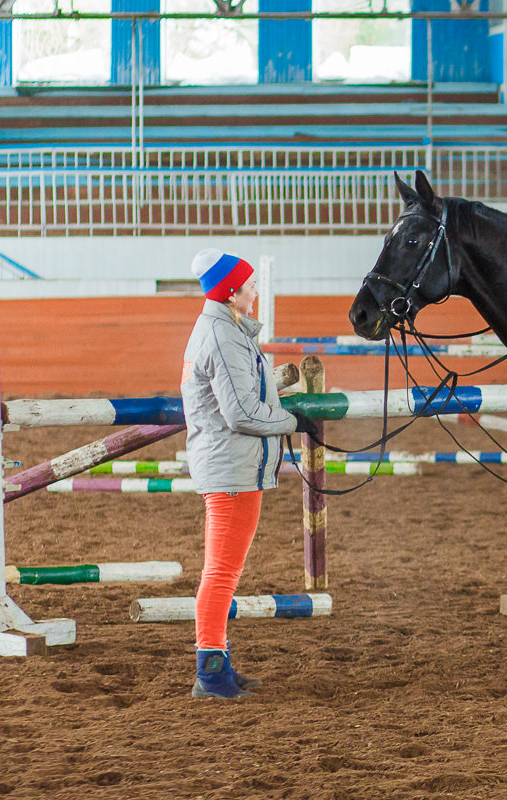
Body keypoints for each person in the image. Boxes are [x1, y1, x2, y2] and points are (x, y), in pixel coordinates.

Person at [181, 248, 316, 699]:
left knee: (223, 571)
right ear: (232, 291)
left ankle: (217, 663)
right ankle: (211, 672)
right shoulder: (222, 336)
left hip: (233, 464)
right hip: (232, 467)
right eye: (252, 285)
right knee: (221, 573)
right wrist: (293, 422)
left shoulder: (226, 329)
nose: (256, 291)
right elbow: (240, 413)